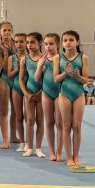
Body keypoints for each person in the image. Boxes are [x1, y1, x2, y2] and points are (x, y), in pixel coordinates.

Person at [53, 30, 89, 168]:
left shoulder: (83, 57)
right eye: (65, 40)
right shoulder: (58, 58)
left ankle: (76, 156)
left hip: (78, 94)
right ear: (62, 43)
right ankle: (69, 157)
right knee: (66, 126)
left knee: (77, 126)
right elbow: (55, 79)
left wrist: (77, 76)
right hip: (64, 94)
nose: (68, 42)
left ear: (77, 42)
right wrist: (65, 73)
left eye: (71, 40)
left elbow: (86, 80)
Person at [34, 33, 63, 161]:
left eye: (51, 44)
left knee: (59, 123)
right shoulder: (42, 59)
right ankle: (51, 151)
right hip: (46, 93)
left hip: (59, 93)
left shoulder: (61, 59)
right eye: (46, 44)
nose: (48, 47)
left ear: (58, 44)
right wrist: (40, 66)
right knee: (49, 123)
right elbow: (36, 79)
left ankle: (59, 151)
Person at [20, 32, 45, 157]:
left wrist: (42, 92)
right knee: (29, 120)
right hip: (29, 93)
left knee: (40, 120)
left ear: (40, 43)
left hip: (42, 93)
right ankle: (29, 147)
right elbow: (21, 79)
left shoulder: (45, 58)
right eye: (28, 42)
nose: (29, 45)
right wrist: (26, 94)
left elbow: (47, 78)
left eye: (32, 42)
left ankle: (38, 148)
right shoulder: (24, 59)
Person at [0, 21, 17, 149]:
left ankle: (13, 136)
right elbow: (5, 67)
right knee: (4, 110)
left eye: (9, 30)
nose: (7, 32)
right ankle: (5, 140)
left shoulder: (18, 44)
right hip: (4, 78)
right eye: (4, 30)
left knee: (16, 109)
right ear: (0, 32)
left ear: (12, 31)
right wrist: (7, 52)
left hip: (16, 78)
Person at [7, 32, 27, 152]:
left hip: (29, 88)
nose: (19, 44)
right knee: (19, 116)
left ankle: (29, 142)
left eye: (21, 41)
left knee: (29, 118)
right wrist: (17, 69)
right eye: (17, 42)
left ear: (26, 42)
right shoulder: (12, 58)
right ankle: (22, 142)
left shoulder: (30, 57)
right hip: (16, 88)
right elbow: (9, 75)